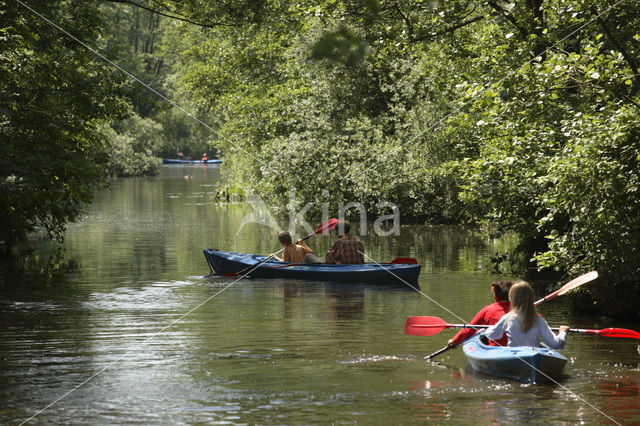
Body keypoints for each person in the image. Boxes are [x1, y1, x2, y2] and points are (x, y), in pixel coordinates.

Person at [483, 281, 569, 349]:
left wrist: (484, 331)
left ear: (511, 299)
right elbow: (555, 344)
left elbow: (490, 335)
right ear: (531, 298)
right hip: (532, 354)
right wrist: (562, 332)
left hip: (514, 356)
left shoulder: (507, 318)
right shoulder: (538, 320)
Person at [447, 280, 513, 348]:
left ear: (496, 298)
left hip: (495, 349)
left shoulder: (487, 310)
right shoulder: (522, 309)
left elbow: (470, 329)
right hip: (521, 351)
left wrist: (454, 340)